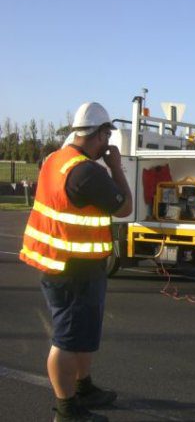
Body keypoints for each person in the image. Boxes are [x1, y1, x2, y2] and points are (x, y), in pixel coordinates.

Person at [20, 102, 133, 422]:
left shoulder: (56, 160)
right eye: (107, 136)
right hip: (73, 270)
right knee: (67, 340)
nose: (108, 143)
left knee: (83, 333)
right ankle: (66, 409)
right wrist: (117, 168)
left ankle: (84, 388)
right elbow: (124, 207)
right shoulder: (86, 171)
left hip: (69, 264)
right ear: (98, 134)